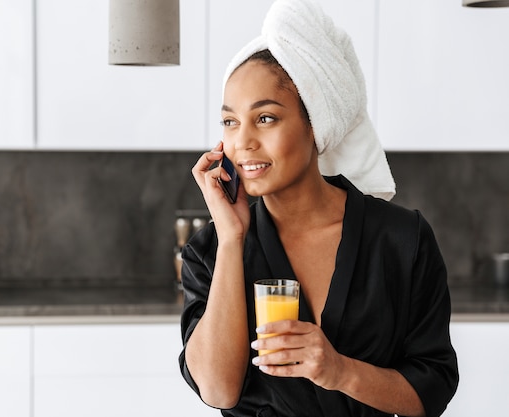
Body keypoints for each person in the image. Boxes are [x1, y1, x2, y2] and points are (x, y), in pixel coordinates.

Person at [178, 1, 458, 416]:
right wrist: (233, 239)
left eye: (266, 118)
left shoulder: (401, 239)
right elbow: (218, 391)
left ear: (316, 123)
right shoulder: (210, 250)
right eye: (230, 122)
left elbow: (430, 390)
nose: (243, 143)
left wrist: (339, 371)